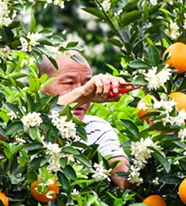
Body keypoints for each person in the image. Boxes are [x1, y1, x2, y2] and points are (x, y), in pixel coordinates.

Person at [38, 51, 131, 189]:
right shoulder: (25, 124)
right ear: (41, 85)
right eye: (69, 82)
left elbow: (124, 179)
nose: (82, 90)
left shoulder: (97, 128)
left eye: (87, 84)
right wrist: (82, 94)